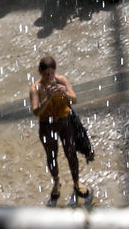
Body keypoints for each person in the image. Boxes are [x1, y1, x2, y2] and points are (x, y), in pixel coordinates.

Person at [30, 55, 90, 206]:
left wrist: (65, 92)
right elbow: (36, 111)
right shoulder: (35, 88)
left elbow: (74, 99)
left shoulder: (62, 80)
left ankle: (76, 183)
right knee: (51, 155)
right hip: (46, 124)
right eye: (46, 74)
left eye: (52, 73)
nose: (49, 77)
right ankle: (57, 182)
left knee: (71, 152)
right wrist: (47, 98)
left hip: (64, 121)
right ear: (40, 72)